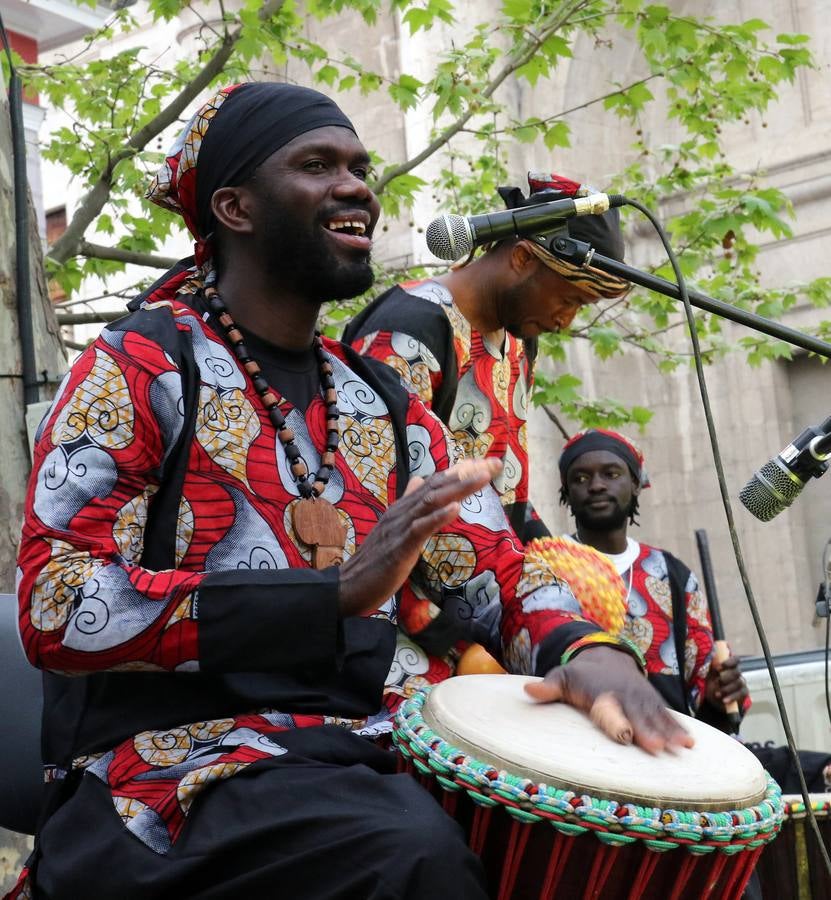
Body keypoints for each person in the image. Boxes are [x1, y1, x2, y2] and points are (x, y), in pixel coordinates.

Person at [7, 83, 688, 900]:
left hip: (366, 750)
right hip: (171, 775)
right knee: (407, 851)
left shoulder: (390, 409)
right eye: (317, 165)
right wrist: (326, 594)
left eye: (361, 168)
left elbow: (495, 571)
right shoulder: (136, 367)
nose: (358, 186)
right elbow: (59, 604)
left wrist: (589, 656)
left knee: (611, 831)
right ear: (235, 207)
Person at [344, 172, 629, 544]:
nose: (565, 322)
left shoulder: (520, 338)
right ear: (523, 258)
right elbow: (374, 495)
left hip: (491, 579)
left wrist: (555, 561)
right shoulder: (407, 330)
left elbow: (505, 492)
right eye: (569, 300)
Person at [557, 428, 749, 729]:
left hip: (667, 752)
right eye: (580, 478)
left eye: (611, 473)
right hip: (576, 750)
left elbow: (702, 683)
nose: (595, 485)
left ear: (635, 483)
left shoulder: (672, 575)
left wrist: (716, 695)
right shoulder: (546, 566)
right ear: (566, 491)